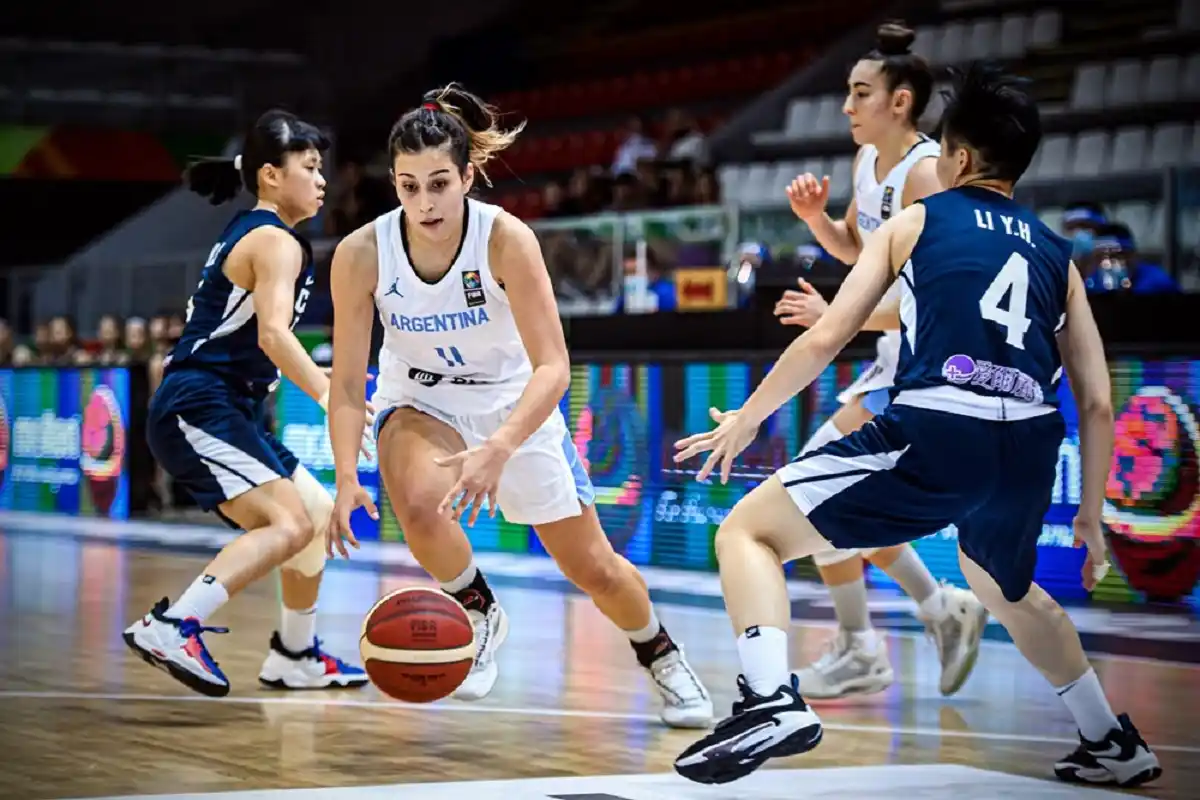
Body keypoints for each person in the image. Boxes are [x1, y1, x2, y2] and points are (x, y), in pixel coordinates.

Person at [670, 61, 1162, 789]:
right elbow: (1095, 400)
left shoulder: (918, 217)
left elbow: (826, 337)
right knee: (1005, 587)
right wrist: (1089, 515)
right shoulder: (1060, 256)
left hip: (937, 429)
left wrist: (748, 416)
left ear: (955, 158)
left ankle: (770, 698)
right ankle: (1110, 739)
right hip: (1028, 446)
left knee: (749, 531)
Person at [326, 85, 713, 728]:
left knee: (595, 569)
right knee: (418, 504)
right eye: (408, 185)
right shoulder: (361, 253)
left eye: (439, 183)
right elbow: (346, 383)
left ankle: (662, 654)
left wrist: (500, 447)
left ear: (469, 176)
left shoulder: (506, 240)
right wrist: (343, 476)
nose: (424, 202)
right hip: (418, 396)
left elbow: (555, 367)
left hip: (512, 404)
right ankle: (477, 609)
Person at [123, 110, 372, 697]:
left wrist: (305, 376)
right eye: (309, 169)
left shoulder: (260, 233)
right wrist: (326, 392)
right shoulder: (273, 240)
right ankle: (173, 625)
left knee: (311, 516)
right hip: (198, 406)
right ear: (268, 175)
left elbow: (251, 341)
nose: (321, 182)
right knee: (288, 522)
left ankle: (294, 654)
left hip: (221, 405)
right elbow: (274, 337)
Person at [774, 21, 987, 699]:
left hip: (928, 368)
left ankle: (876, 639)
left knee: (818, 490)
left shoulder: (927, 173)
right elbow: (862, 254)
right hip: (892, 361)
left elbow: (936, 299)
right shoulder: (869, 163)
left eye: (860, 92)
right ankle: (915, 618)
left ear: (900, 102)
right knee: (833, 501)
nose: (846, 105)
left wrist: (838, 318)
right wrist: (818, 224)